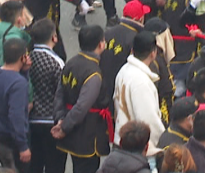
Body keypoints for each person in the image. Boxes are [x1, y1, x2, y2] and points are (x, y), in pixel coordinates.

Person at [53, 25, 109, 173]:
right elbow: (82, 106)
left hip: (70, 126)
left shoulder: (70, 63)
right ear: (101, 44)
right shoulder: (93, 73)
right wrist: (64, 126)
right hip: (86, 132)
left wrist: (60, 118)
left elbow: (59, 95)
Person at [113, 31, 164, 149]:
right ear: (153, 53)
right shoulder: (141, 81)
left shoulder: (124, 70)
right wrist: (162, 143)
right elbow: (148, 119)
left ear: (132, 50)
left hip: (122, 137)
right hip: (136, 145)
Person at [27, 19, 65, 173]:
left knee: (35, 165)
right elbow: (62, 93)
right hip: (51, 121)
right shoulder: (56, 62)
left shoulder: (28, 58)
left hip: (31, 119)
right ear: (54, 37)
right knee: (54, 166)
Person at [0, 37, 30, 172]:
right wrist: (23, 146)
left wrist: (24, 71)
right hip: (12, 138)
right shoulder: (19, 83)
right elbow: (16, 115)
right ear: (23, 57)